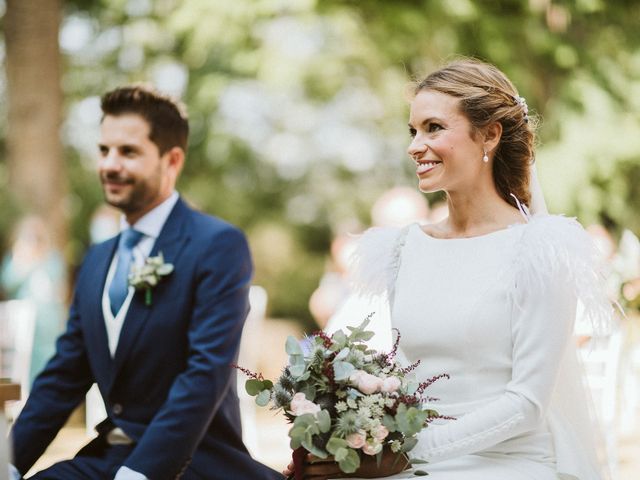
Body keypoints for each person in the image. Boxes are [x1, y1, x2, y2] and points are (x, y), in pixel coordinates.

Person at [285, 59, 611, 479]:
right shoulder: (403, 248)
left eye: (433, 128)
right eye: (413, 131)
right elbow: (403, 375)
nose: (415, 145)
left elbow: (528, 404)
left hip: (508, 462)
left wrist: (405, 455)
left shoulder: (540, 249)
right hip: (409, 461)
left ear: (489, 134)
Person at [10, 85, 280, 480]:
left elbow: (204, 375)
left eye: (128, 152)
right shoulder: (98, 258)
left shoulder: (217, 245)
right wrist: (8, 462)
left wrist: (140, 474)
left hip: (192, 462)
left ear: (171, 160)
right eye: (104, 150)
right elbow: (63, 377)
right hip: (107, 455)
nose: (110, 164)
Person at [1, 216, 66, 386]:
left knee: (47, 371)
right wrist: (22, 260)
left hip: (47, 328)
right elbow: (7, 283)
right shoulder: (16, 257)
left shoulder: (52, 258)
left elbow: (59, 289)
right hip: (22, 326)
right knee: (22, 371)